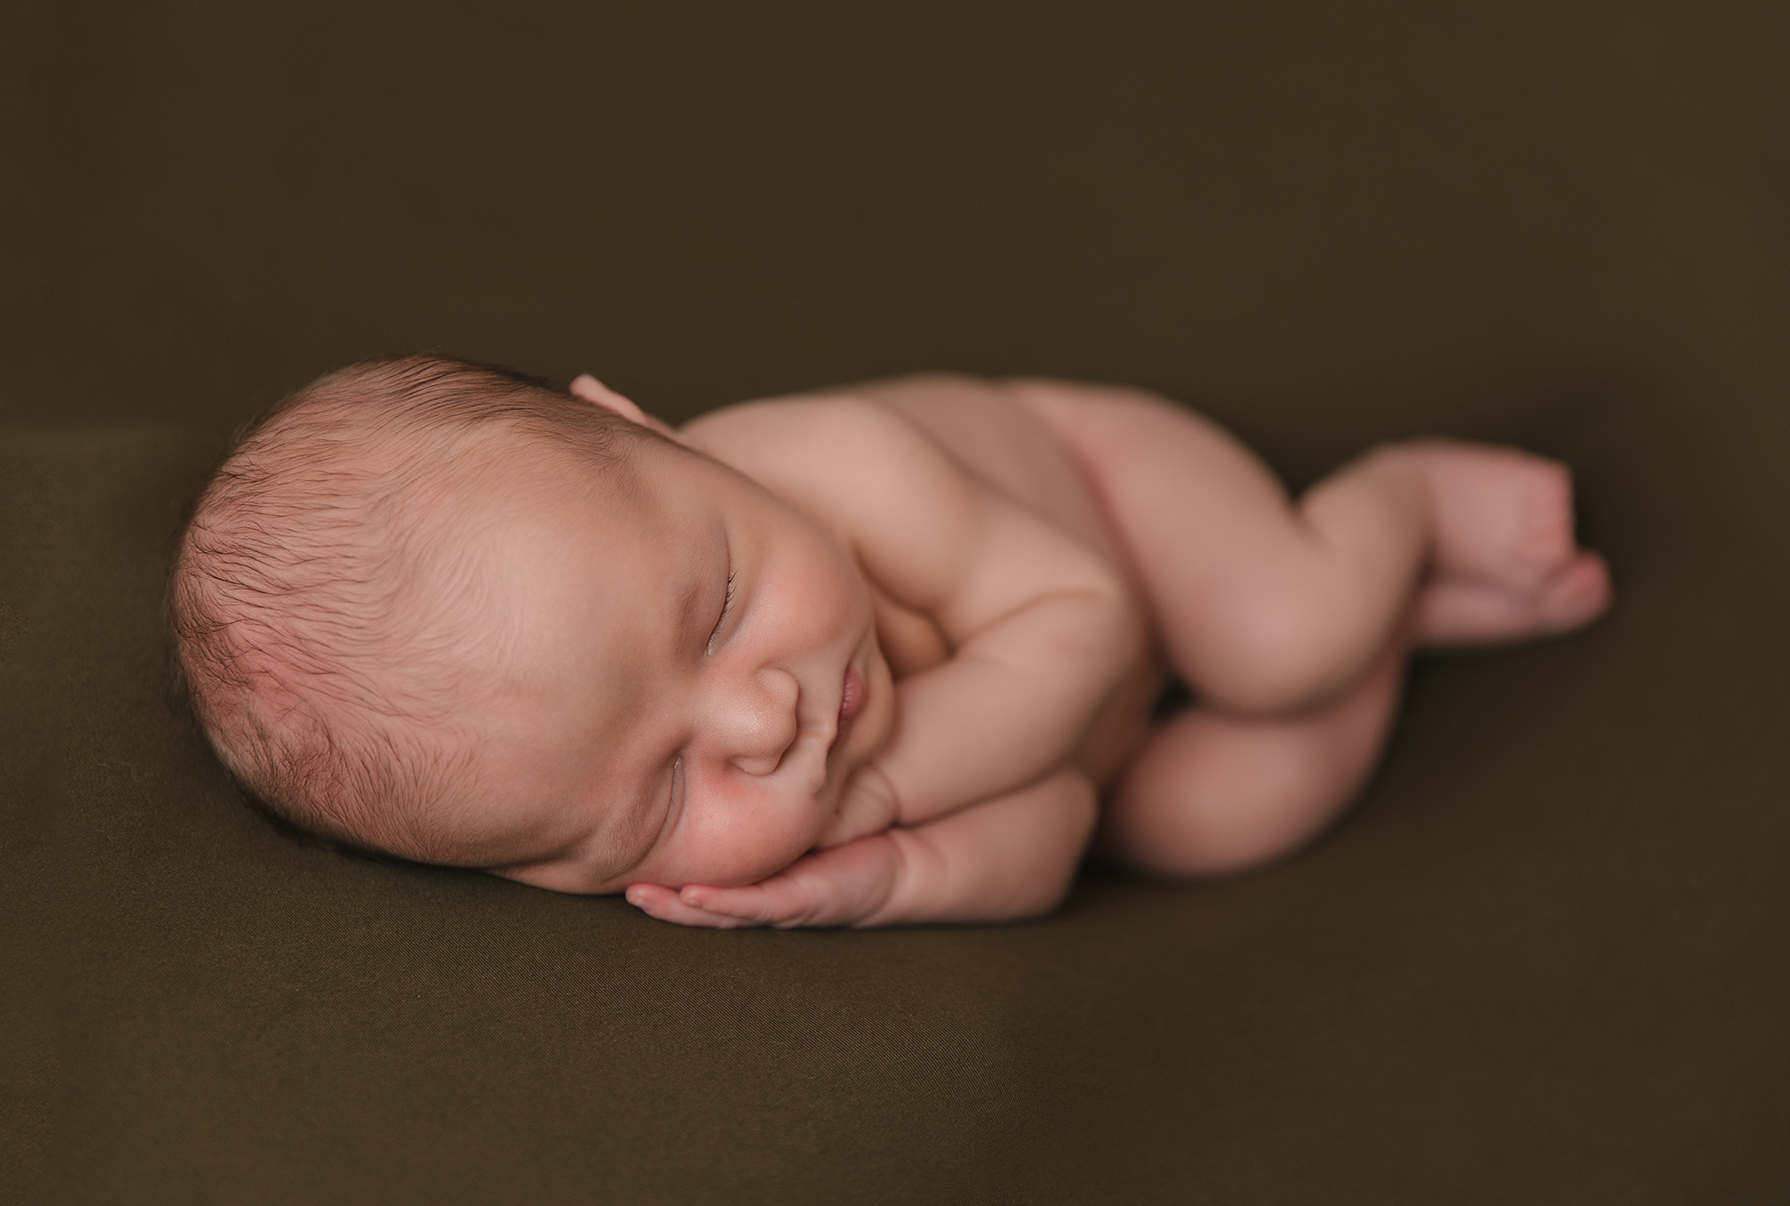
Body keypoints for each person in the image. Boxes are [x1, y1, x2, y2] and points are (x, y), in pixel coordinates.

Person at [168, 354, 1611, 928]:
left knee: (1274, 641)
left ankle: (1393, 502)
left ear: (641, 429)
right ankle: (1398, 634)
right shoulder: (759, 840)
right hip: (1077, 744)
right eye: (659, 794)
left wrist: (879, 792)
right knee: (1211, 816)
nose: (758, 723)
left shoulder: (841, 465)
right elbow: (1056, 830)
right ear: (559, 868)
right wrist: (886, 881)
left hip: (1103, 511)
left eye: (716, 607)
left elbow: (1086, 627)